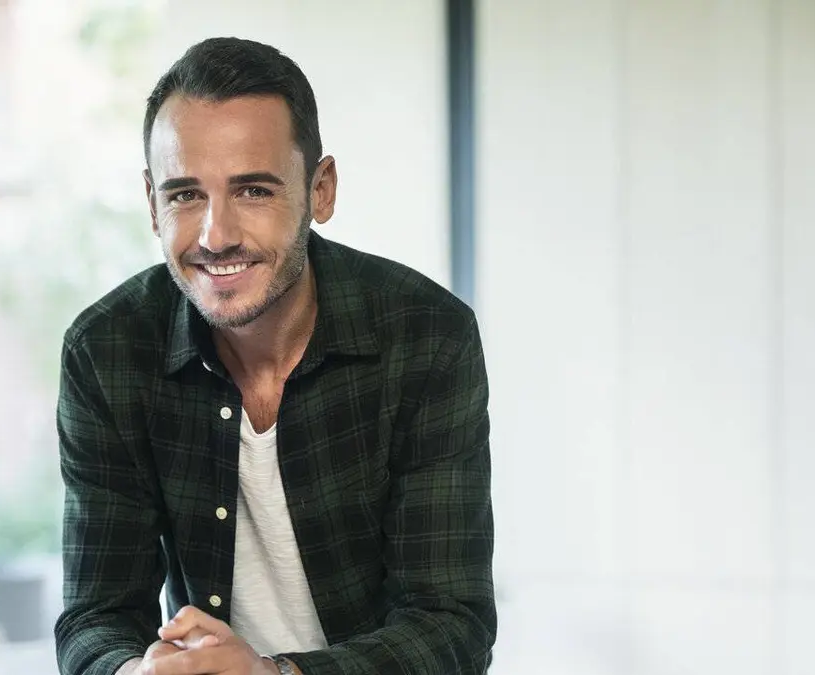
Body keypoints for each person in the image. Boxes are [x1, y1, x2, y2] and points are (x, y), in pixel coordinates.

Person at [54, 37, 495, 675]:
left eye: (253, 191)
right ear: (152, 204)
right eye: (185, 195)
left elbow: (452, 624)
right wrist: (135, 673)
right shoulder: (107, 351)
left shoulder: (426, 334)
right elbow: (96, 615)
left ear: (321, 191)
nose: (216, 236)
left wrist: (274, 674)